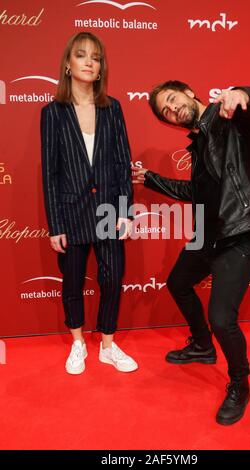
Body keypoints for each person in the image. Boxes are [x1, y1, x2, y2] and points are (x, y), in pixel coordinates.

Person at [133, 81, 250, 425]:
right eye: (165, 112)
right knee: (178, 282)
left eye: (172, 100)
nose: (172, 110)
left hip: (240, 231)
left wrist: (244, 94)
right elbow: (196, 191)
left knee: (223, 319)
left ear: (188, 92)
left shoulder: (227, 116)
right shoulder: (199, 142)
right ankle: (202, 345)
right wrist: (149, 178)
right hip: (210, 234)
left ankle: (239, 384)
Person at [41, 32, 138, 375]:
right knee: (72, 282)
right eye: (81, 56)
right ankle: (78, 342)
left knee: (112, 279)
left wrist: (126, 211)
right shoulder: (52, 113)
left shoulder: (113, 109)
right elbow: (51, 173)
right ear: (68, 64)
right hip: (71, 212)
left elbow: (122, 163)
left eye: (95, 58)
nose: (88, 62)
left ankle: (108, 346)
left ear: (100, 68)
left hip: (110, 211)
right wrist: (56, 224)